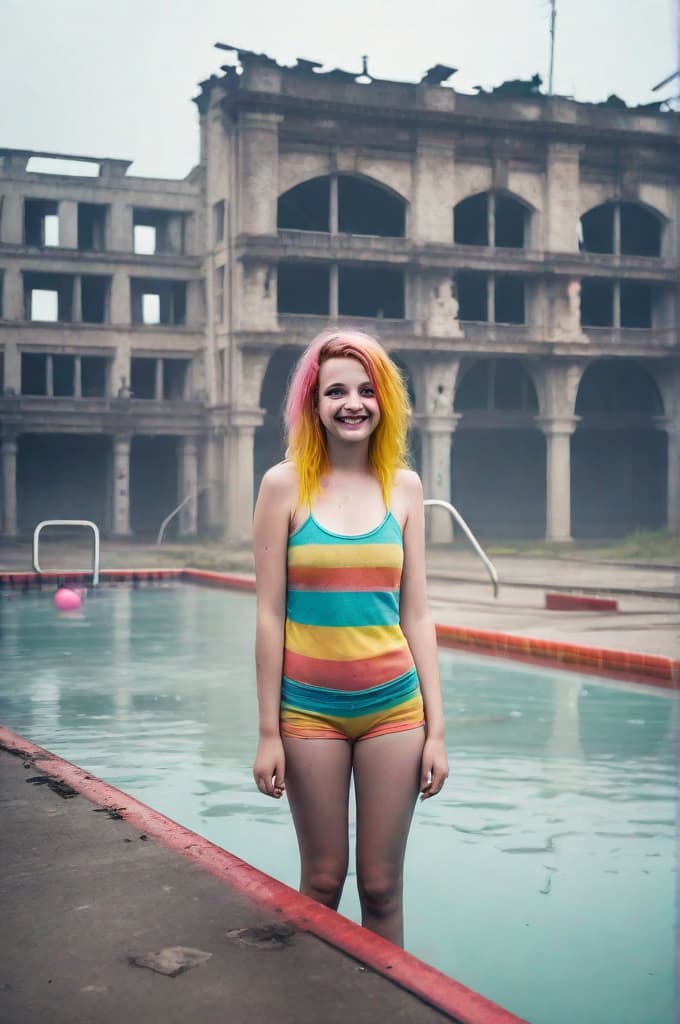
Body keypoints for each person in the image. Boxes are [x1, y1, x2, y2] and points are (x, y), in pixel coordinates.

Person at [252, 327, 448, 947]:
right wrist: (266, 734)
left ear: (384, 400)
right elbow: (268, 615)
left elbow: (416, 614)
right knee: (322, 880)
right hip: (309, 714)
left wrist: (437, 730)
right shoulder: (283, 486)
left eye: (367, 389)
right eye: (336, 390)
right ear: (314, 403)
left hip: (394, 710)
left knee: (383, 887)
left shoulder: (405, 488)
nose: (352, 403)